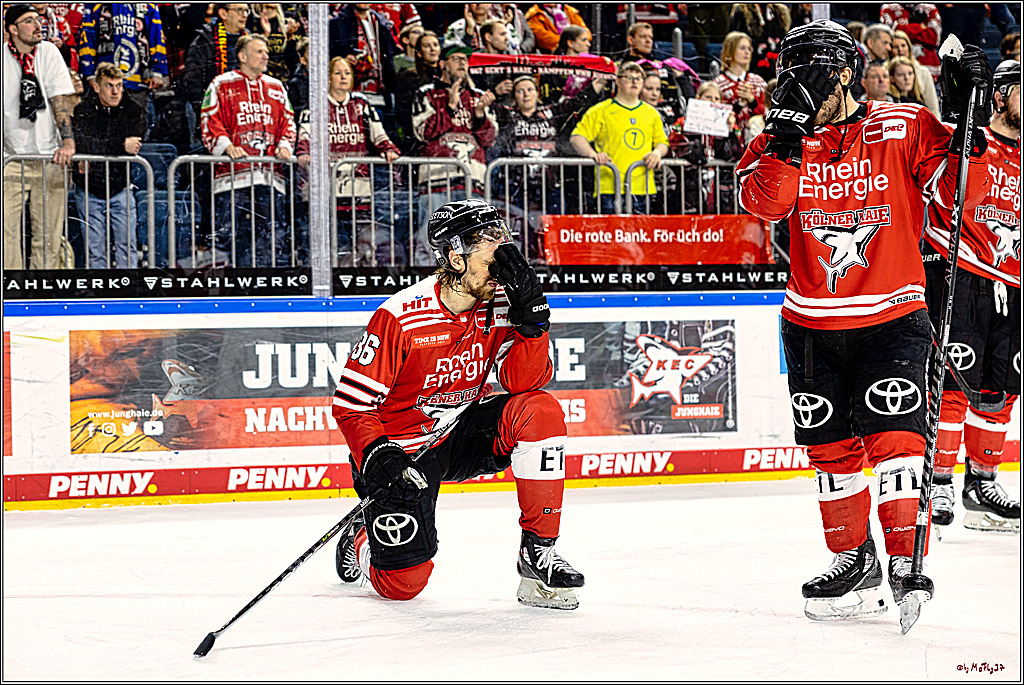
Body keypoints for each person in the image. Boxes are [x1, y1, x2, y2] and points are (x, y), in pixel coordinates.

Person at [736, 20, 993, 621]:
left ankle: (904, 559)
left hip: (893, 315)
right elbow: (765, 204)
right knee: (829, 449)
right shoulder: (778, 136)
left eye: (813, 74)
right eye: (791, 74)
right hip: (809, 323)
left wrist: (970, 123)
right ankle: (854, 561)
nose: (799, 85)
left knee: (897, 439)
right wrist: (787, 136)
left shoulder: (903, 122)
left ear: (846, 73)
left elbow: (969, 191)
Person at [331, 199, 585, 610]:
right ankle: (362, 540)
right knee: (404, 585)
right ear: (455, 257)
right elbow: (351, 406)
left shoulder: (502, 303)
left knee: (540, 410)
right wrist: (378, 455)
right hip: (401, 453)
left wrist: (534, 326)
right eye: (490, 257)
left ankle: (538, 552)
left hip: (459, 432)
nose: (501, 269)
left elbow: (523, 384)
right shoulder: (400, 316)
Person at [924, 59, 1021, 536]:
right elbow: (940, 194)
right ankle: (938, 482)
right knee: (952, 383)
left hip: (1014, 285)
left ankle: (982, 484)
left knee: (1003, 386)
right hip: (961, 273)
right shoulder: (967, 139)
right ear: (999, 95)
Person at [200, 33, 296, 268]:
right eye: (259, 51)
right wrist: (227, 146)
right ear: (242, 56)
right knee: (228, 241)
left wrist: (284, 146)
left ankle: (265, 286)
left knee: (270, 242)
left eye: (267, 52)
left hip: (270, 178)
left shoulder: (277, 87)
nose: (266, 56)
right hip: (232, 179)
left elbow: (289, 122)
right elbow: (209, 118)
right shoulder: (221, 84)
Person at [296, 57, 401, 266]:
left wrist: (388, 148)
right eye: (338, 73)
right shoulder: (316, 105)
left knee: (359, 245)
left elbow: (378, 133)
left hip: (358, 189)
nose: (343, 77)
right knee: (328, 243)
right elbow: (305, 134)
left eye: (347, 73)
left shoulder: (361, 104)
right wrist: (303, 151)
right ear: (328, 78)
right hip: (326, 190)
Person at [490, 74, 606, 256]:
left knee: (553, 231)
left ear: (537, 94)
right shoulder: (507, 115)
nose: (526, 95)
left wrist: (601, 80)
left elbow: (578, 102)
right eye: (520, 91)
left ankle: (553, 266)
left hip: (550, 186)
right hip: (517, 186)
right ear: (514, 97)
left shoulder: (551, 113)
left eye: (530, 90)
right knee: (519, 232)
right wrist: (495, 92)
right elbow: (484, 104)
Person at [3, 3, 76, 270]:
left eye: (38, 19)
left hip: (49, 157)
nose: (38, 25)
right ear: (12, 29)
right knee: (6, 235)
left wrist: (68, 142)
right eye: (29, 21)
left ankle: (42, 287)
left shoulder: (49, 52)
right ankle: (9, 288)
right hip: (10, 160)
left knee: (48, 237)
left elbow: (60, 100)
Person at [410, 42, 497, 265]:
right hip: (436, 180)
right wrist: (449, 107)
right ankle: (426, 282)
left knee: (476, 245)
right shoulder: (426, 93)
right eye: (456, 58)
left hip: (472, 182)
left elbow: (489, 139)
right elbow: (423, 132)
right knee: (430, 242)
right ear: (442, 64)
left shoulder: (478, 96)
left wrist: (479, 114)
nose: (462, 63)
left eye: (465, 59)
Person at [71, 63, 146, 269]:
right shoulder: (83, 109)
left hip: (120, 187)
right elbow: (85, 143)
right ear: (96, 87)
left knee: (127, 247)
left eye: (119, 85)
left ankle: (128, 286)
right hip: (89, 188)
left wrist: (98, 149)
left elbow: (134, 146)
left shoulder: (134, 110)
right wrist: (120, 144)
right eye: (109, 85)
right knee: (95, 250)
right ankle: (99, 287)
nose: (115, 91)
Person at [570, 61, 669, 215]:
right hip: (609, 187)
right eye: (629, 78)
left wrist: (657, 153)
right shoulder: (601, 110)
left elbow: (662, 142)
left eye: (638, 79)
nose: (634, 82)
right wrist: (593, 155)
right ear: (617, 80)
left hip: (642, 187)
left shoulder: (652, 113)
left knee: (639, 230)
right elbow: (577, 137)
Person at [77, 3, 167, 128]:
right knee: (106, 126)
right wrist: (89, 74)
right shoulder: (95, 4)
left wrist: (157, 71)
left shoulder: (149, 5)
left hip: (138, 81)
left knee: (138, 126)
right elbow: (87, 38)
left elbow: (156, 36)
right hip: (106, 80)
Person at [667, 81, 744, 213]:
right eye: (708, 97)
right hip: (691, 183)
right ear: (698, 98)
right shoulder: (684, 122)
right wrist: (690, 148)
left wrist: (730, 132)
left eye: (716, 99)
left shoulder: (729, 123)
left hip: (721, 185)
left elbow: (738, 153)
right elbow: (673, 147)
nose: (712, 102)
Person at [182, 3, 250, 129]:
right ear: (223, 14)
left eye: (247, 10)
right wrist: (208, 110)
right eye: (240, 10)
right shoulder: (204, 40)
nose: (245, 15)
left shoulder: (249, 40)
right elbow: (193, 81)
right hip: (214, 112)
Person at [328, 3, 396, 112]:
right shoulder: (336, 24)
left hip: (380, 96)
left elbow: (390, 59)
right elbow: (329, 57)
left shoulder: (382, 24)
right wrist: (343, 60)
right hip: (350, 95)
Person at [712, 31, 768, 143]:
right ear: (730, 51)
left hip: (758, 144)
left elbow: (769, 114)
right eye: (742, 48)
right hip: (729, 143)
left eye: (749, 49)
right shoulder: (717, 85)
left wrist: (752, 101)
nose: (747, 52)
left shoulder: (759, 82)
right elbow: (715, 119)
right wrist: (738, 105)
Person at [880, 3, 941, 83]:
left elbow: (934, 38)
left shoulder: (930, 8)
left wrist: (903, 28)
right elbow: (891, 37)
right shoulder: (888, 8)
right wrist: (921, 27)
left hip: (930, 72)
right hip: (899, 74)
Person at [728, 4, 791, 80]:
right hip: (753, 66)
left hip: (776, 68)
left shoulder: (781, 12)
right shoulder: (743, 10)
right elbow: (735, 41)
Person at [891, 30, 939, 115]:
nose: (900, 50)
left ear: (909, 47)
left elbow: (933, 106)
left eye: (903, 45)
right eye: (895, 47)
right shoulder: (885, 71)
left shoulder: (923, 71)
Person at [247, 3, 290, 82]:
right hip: (260, 75)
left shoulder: (284, 19)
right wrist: (265, 34)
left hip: (282, 75)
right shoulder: (251, 17)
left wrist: (291, 38)